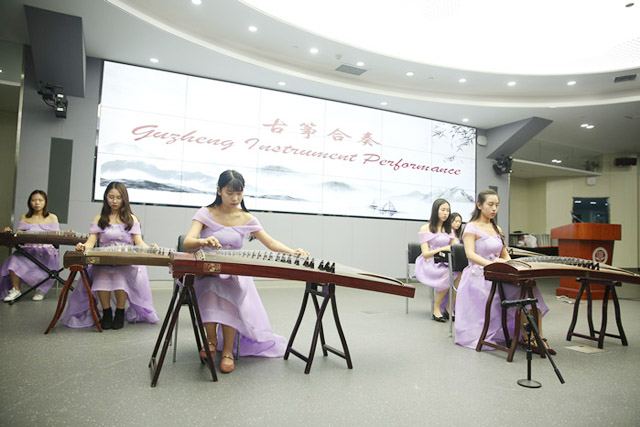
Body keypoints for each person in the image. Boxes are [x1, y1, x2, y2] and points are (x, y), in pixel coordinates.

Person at [183, 169, 308, 374]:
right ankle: (211, 339)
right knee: (210, 285)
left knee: (230, 289)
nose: (235, 198)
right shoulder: (205, 213)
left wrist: (293, 252)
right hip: (208, 271)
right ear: (219, 190)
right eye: (230, 192)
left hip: (234, 273)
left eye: (239, 193)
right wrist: (203, 241)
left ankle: (228, 351)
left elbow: (270, 242)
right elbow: (188, 242)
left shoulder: (246, 218)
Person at [454, 189, 552, 353]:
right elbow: (470, 254)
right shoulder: (471, 227)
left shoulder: (496, 228)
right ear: (479, 205)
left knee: (529, 287)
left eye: (497, 205)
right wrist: (492, 265)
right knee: (509, 292)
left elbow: (504, 254)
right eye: (490, 204)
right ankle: (526, 335)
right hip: (479, 274)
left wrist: (510, 265)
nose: (494, 209)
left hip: (498, 272)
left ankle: (536, 336)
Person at [61, 182, 159, 330]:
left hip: (125, 261)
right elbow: (91, 242)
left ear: (124, 199)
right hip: (104, 261)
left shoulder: (131, 219)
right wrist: (83, 246)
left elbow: (139, 243)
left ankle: (119, 313)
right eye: (111, 197)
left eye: (118, 197)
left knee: (120, 277)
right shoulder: (99, 218)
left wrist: (151, 248)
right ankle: (107, 313)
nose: (114, 201)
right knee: (101, 276)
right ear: (106, 197)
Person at [1, 190, 60, 302]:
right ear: (29, 202)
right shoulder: (24, 217)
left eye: (40, 200)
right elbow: (18, 235)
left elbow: (57, 237)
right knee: (13, 259)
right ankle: (15, 290)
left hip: (46, 250)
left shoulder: (52, 217)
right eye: (33, 200)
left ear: (45, 202)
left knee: (44, 260)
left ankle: (40, 289)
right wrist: (9, 232)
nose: (37, 203)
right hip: (27, 250)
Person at [414, 199, 458, 322]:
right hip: (430, 262)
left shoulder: (449, 229)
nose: (446, 213)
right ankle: (436, 308)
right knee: (448, 273)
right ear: (435, 211)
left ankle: (450, 307)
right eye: (443, 210)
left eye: (448, 210)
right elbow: (425, 254)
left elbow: (454, 246)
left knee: (460, 272)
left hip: (445, 261)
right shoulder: (425, 228)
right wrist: (442, 248)